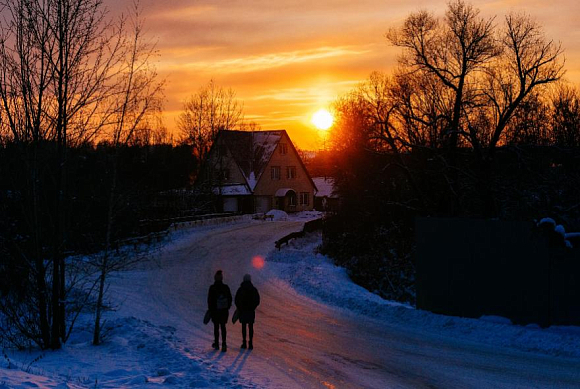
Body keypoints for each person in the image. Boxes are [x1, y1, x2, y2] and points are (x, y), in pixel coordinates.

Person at [207, 270, 232, 352]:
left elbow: (209, 300)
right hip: (224, 311)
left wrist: (210, 310)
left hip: (215, 311)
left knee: (216, 327)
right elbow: (230, 298)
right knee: (223, 327)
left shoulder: (212, 288)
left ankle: (217, 344)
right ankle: (224, 343)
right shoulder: (226, 287)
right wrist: (227, 307)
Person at [234, 274, 260, 350]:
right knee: (251, 327)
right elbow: (257, 300)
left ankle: (244, 343)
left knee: (243, 326)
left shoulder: (240, 289)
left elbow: (236, 300)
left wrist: (239, 307)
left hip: (243, 310)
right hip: (251, 311)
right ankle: (251, 343)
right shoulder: (253, 289)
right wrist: (253, 307)